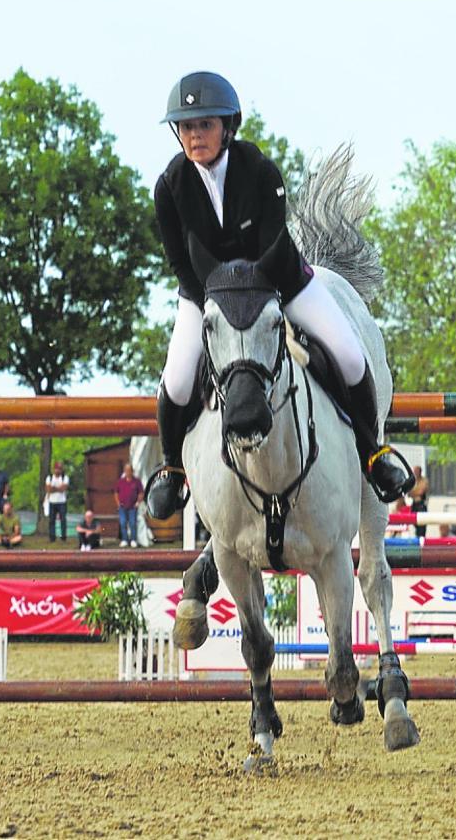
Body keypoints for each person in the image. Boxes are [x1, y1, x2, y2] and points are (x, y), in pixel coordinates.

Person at [144, 71, 411, 521]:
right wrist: (215, 304)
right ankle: (172, 469)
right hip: (205, 295)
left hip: (282, 283)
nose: (195, 135)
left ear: (228, 126)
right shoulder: (170, 187)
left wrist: (256, 300)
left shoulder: (260, 171)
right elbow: (181, 265)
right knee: (176, 378)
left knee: (348, 354)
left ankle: (372, 453)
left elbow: (272, 248)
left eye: (204, 125)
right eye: (187, 127)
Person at [114, 463, 144, 548]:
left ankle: (133, 540)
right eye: (126, 470)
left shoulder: (136, 481)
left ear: (132, 471)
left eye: (129, 470)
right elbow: (116, 493)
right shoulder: (120, 481)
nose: (128, 472)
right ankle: (124, 540)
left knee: (132, 523)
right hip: (122, 507)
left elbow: (141, 493)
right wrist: (118, 503)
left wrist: (138, 502)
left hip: (132, 507)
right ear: (124, 471)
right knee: (123, 523)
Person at [45, 461, 70, 542]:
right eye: (57, 469)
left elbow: (63, 489)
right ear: (54, 469)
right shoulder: (49, 477)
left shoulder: (65, 477)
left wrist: (54, 488)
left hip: (62, 501)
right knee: (51, 520)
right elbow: (48, 489)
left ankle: (63, 537)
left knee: (63, 520)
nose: (58, 471)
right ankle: (52, 537)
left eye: (60, 469)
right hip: (52, 501)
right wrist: (58, 488)